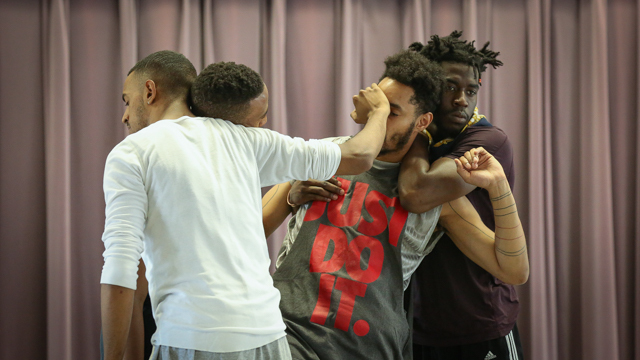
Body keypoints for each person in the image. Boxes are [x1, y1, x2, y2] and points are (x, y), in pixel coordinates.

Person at [100, 50, 392, 360]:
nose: (125, 116)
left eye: (126, 101)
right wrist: (380, 112)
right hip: (268, 339)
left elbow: (120, 268)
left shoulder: (131, 153)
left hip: (191, 338)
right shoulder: (249, 141)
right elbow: (360, 155)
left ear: (149, 91)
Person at [262, 49, 529, 360]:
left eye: (391, 113)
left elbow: (513, 269)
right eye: (377, 108)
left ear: (423, 122)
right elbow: (248, 230)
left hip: (369, 348)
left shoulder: (436, 199)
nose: (378, 120)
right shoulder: (320, 154)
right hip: (286, 337)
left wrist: (499, 187)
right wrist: (290, 195)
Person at [398, 31, 525, 359]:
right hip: (419, 326)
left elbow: (416, 192)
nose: (461, 100)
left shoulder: (487, 142)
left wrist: (420, 131)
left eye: (471, 90)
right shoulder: (413, 139)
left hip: (479, 323)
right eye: (450, 87)